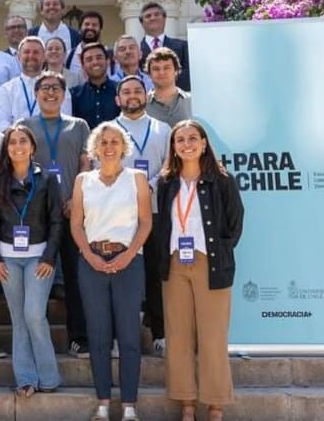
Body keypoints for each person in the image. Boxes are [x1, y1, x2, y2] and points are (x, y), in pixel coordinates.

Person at [154, 120, 244, 421]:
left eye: (193, 138)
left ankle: (215, 405)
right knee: (178, 335)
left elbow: (234, 224)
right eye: (180, 140)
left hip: (211, 264)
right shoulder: (166, 182)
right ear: (173, 147)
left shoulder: (222, 180)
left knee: (213, 336)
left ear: (204, 143)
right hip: (175, 263)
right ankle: (187, 403)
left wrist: (219, 250)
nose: (187, 144)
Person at [71, 122, 153, 421]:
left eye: (114, 142)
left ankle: (129, 405)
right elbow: (76, 224)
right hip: (92, 262)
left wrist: (129, 254)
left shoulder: (137, 179)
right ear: (95, 147)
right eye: (103, 142)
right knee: (98, 335)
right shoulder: (83, 180)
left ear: (123, 147)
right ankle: (103, 403)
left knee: (130, 335)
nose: (108, 147)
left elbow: (145, 222)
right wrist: (88, 255)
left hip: (129, 263)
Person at [15, 71, 91, 360]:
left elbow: (86, 164)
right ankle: (35, 341)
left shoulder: (79, 125)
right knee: (37, 278)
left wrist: (76, 198)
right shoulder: (25, 125)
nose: (50, 93)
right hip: (37, 212)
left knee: (74, 276)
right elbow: (20, 166)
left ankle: (79, 338)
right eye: (44, 88)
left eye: (55, 88)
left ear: (64, 94)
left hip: (73, 211)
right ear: (36, 94)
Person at [0, 125, 64, 398]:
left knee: (34, 315)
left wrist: (49, 257)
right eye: (12, 142)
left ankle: (49, 376)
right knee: (19, 319)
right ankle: (26, 379)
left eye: (23, 141)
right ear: (6, 149)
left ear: (32, 147)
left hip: (38, 257)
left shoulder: (47, 180)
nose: (17, 146)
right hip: (8, 259)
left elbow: (56, 221)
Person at [113, 76, 171, 355]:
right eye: (126, 92)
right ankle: (124, 334)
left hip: (157, 210)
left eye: (137, 90)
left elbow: (170, 164)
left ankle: (159, 331)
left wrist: (150, 185)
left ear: (146, 96)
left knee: (156, 271)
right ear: (118, 99)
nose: (132, 95)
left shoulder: (163, 129)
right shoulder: (108, 129)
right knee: (123, 273)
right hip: (120, 215)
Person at [0, 36, 74, 128]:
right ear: (18, 57)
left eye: (36, 52)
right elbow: (2, 125)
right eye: (26, 52)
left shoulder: (59, 87)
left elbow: (66, 123)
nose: (31, 56)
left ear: (44, 57)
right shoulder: (6, 89)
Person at [139, 1, 191, 91]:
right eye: (148, 16)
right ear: (142, 23)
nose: (152, 18)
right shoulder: (136, 50)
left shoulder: (182, 46)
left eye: (156, 14)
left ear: (164, 18)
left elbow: (187, 75)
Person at [69, 42, 120, 129]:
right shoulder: (74, 95)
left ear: (107, 61)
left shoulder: (120, 91)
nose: (95, 62)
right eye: (89, 59)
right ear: (83, 66)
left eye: (99, 57)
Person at [145, 47, 192, 127]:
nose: (161, 72)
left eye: (166, 68)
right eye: (156, 69)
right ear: (149, 74)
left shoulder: (191, 101)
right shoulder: (143, 105)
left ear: (176, 71)